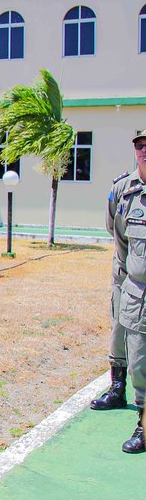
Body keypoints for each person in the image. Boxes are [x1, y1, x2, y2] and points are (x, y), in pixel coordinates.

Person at [91, 146, 140, 411]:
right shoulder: (122, 187)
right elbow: (114, 227)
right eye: (140, 145)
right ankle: (117, 389)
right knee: (119, 328)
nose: (144, 150)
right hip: (126, 272)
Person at [113, 129, 146, 453]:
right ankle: (143, 426)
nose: (145, 150)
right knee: (139, 365)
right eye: (140, 145)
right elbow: (120, 238)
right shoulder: (127, 194)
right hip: (139, 295)